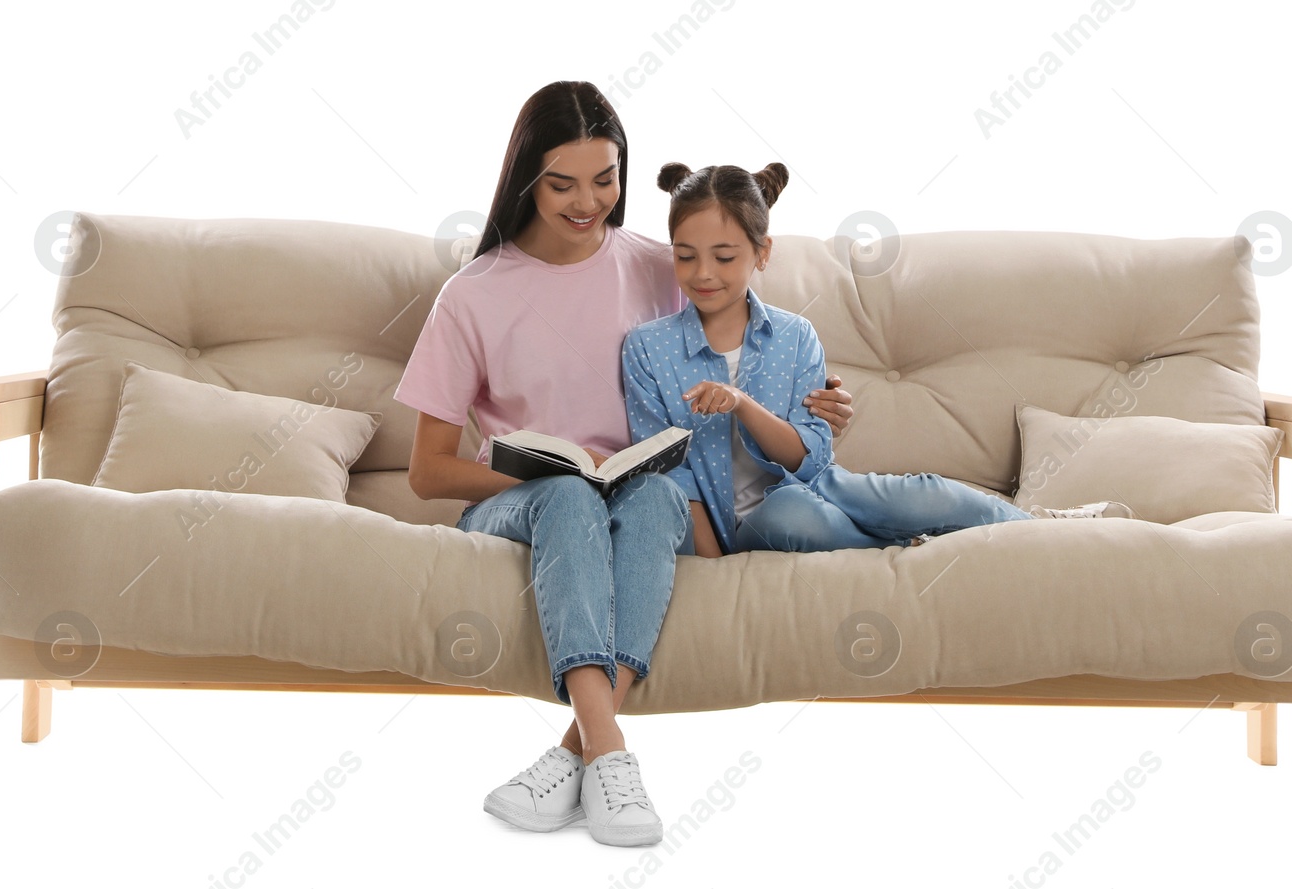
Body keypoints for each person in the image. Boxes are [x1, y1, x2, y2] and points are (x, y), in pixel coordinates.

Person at [393, 84, 854, 847]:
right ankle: (610, 755)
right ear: (524, 180)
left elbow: (753, 337)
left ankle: (574, 754)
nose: (587, 203)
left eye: (605, 180)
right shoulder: (470, 296)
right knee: (573, 499)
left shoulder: (657, 264)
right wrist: (551, 475)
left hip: (645, 493)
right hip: (523, 504)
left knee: (649, 503)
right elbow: (428, 472)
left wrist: (829, 399)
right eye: (561, 183)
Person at [622, 161, 1130, 558]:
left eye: (724, 256)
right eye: (685, 255)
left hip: (814, 483)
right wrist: (715, 568)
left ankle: (1045, 528)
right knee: (794, 517)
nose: (703, 272)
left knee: (924, 494)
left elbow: (809, 459)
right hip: (744, 521)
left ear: (762, 253)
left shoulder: (794, 336)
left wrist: (741, 404)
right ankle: (913, 552)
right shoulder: (648, 348)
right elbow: (670, 474)